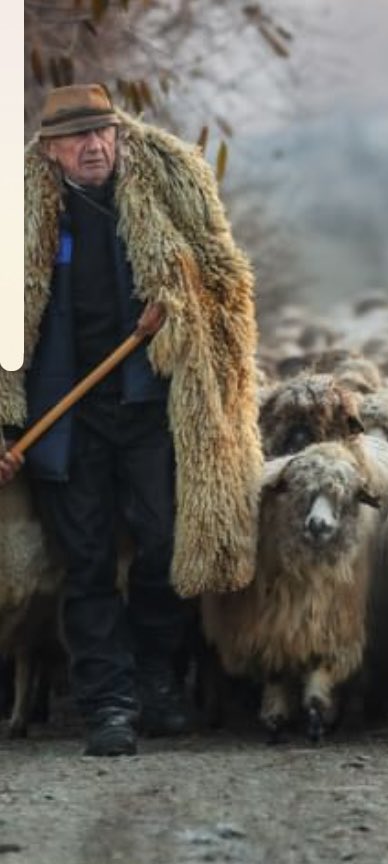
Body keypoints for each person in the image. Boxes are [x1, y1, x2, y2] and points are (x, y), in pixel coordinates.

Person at [1, 84, 263, 756]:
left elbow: (225, 283)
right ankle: (108, 706)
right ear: (50, 150)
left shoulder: (170, 187)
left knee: (161, 544)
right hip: (64, 416)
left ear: (117, 134)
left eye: (102, 132)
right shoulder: (20, 211)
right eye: (77, 138)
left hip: (150, 406)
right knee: (86, 563)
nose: (94, 147)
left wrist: (177, 306)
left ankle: (156, 681)